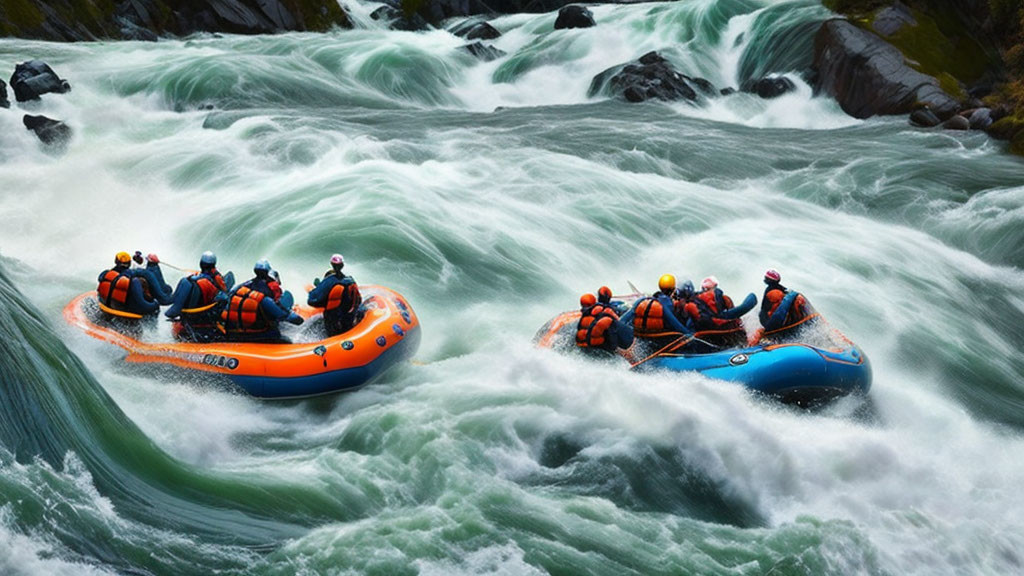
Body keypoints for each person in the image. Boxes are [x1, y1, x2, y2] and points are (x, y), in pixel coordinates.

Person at [221, 258, 303, 342]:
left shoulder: (241, 287)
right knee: (286, 340)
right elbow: (286, 316)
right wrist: (298, 319)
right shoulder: (264, 298)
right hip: (258, 336)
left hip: (234, 335)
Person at [165, 251, 229, 341]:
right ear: (213, 266)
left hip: (187, 317)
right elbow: (224, 298)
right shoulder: (207, 283)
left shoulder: (188, 279)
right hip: (202, 319)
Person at [629, 274, 692, 351]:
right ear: (673, 289)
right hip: (662, 342)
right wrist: (689, 334)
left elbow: (624, 320)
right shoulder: (667, 304)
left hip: (643, 339)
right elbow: (674, 323)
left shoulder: (642, 301)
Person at [307, 254, 362, 336]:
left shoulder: (329, 282)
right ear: (342, 265)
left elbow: (312, 301)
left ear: (332, 264)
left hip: (334, 318)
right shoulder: (351, 281)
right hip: (348, 316)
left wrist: (316, 291)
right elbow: (358, 299)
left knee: (333, 328)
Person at [96, 251, 161, 317]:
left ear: (116, 261)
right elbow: (143, 305)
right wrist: (155, 304)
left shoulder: (105, 274)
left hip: (106, 304)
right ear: (129, 263)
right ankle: (152, 326)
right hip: (125, 311)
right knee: (155, 305)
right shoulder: (133, 281)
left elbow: (101, 280)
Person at [759, 269, 812, 333]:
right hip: (770, 322)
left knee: (797, 300)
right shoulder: (771, 293)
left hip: (778, 319)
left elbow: (789, 292)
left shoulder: (779, 289)